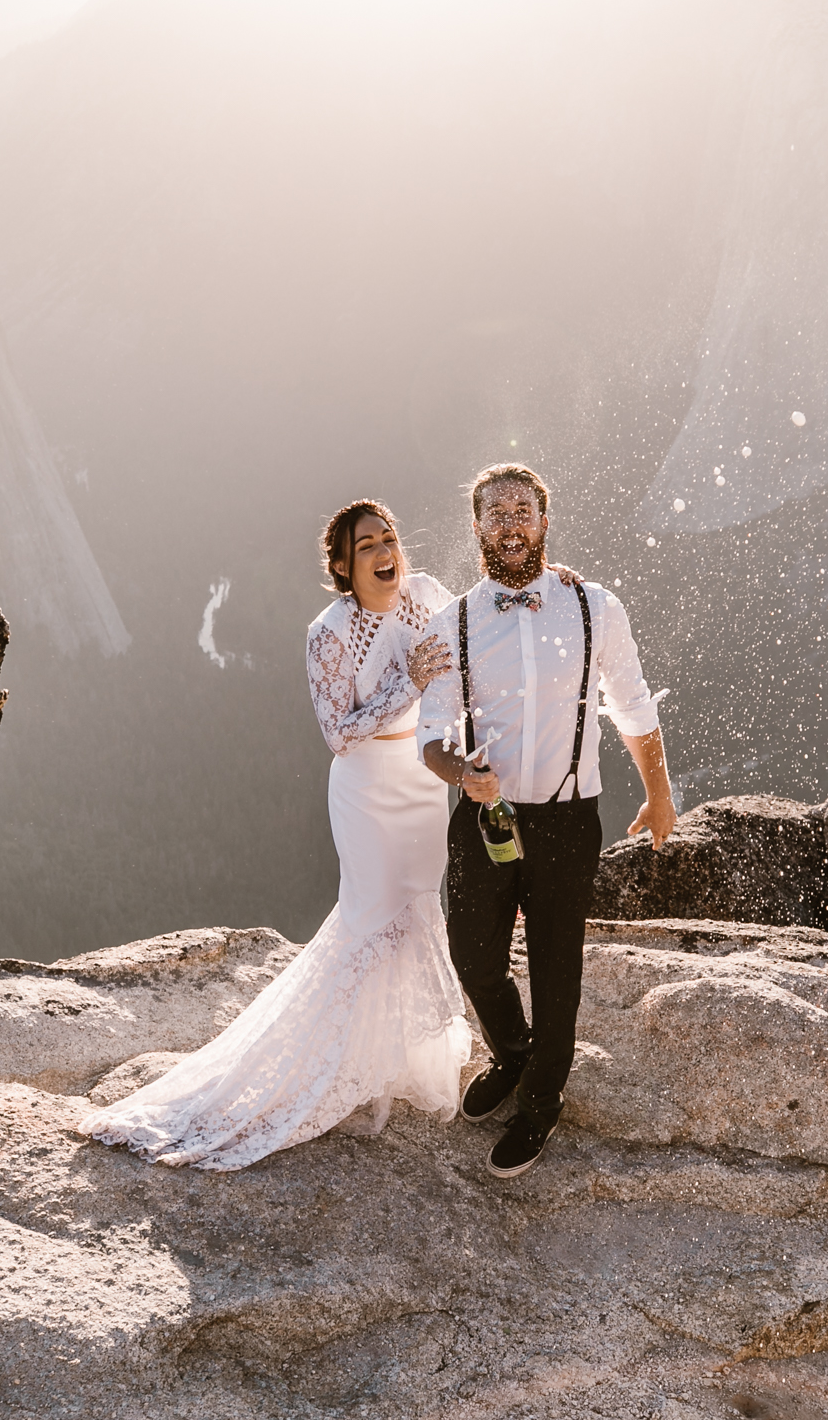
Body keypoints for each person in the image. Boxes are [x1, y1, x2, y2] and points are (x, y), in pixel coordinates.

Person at [83, 500, 472, 1169]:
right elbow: (338, 733)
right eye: (368, 545)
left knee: (416, 912)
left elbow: (473, 646)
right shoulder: (328, 632)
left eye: (390, 538)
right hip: (368, 790)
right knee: (368, 920)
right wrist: (408, 682)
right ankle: (325, 1072)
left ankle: (393, 1063)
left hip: (423, 779)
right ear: (344, 567)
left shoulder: (429, 594)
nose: (386, 551)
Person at [420, 463, 675, 1178]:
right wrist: (460, 773)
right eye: (494, 510)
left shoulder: (594, 605)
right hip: (485, 815)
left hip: (568, 818)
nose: (509, 520)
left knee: (558, 970)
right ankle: (513, 1051)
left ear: (543, 521)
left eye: (521, 507)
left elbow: (633, 704)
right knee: (473, 955)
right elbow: (432, 731)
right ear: (476, 527)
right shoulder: (456, 621)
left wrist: (658, 792)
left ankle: (542, 1101)